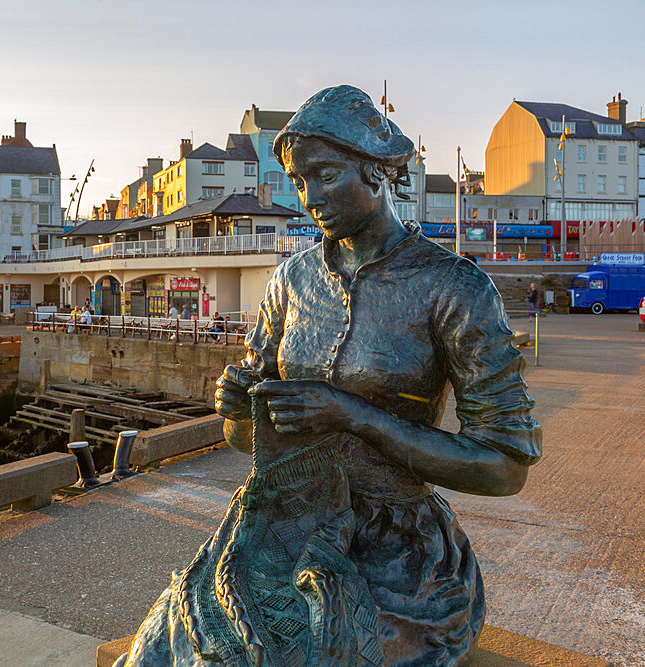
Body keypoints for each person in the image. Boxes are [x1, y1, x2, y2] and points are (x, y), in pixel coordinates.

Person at [121, 85, 541, 666]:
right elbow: (249, 444)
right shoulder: (291, 282)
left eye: (324, 174)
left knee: (319, 649)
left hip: (397, 553)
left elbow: (504, 467)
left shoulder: (455, 288)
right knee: (178, 643)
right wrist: (240, 411)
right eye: (298, 181)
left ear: (376, 171)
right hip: (283, 525)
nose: (309, 196)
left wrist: (355, 417)